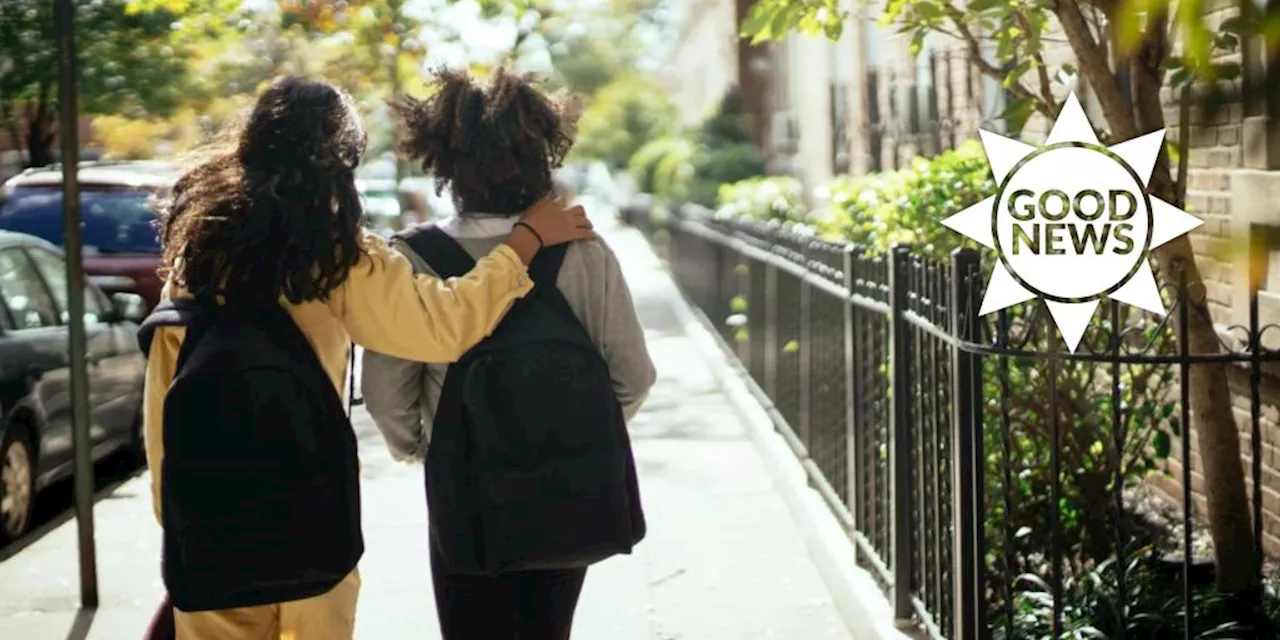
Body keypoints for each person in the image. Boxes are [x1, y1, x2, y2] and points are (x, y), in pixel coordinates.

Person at [142, 75, 595, 640]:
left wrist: (178, 521)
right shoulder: (330, 256)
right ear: (339, 159)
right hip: (307, 510)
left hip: (208, 516)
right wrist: (525, 240)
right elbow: (444, 325)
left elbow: (165, 390)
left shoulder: (197, 249)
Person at [362, 67, 656, 640]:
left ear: (444, 161)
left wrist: (424, 447)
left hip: (464, 486)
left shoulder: (412, 259)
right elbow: (634, 376)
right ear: (541, 153)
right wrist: (576, 432)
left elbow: (385, 392)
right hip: (566, 483)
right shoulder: (585, 253)